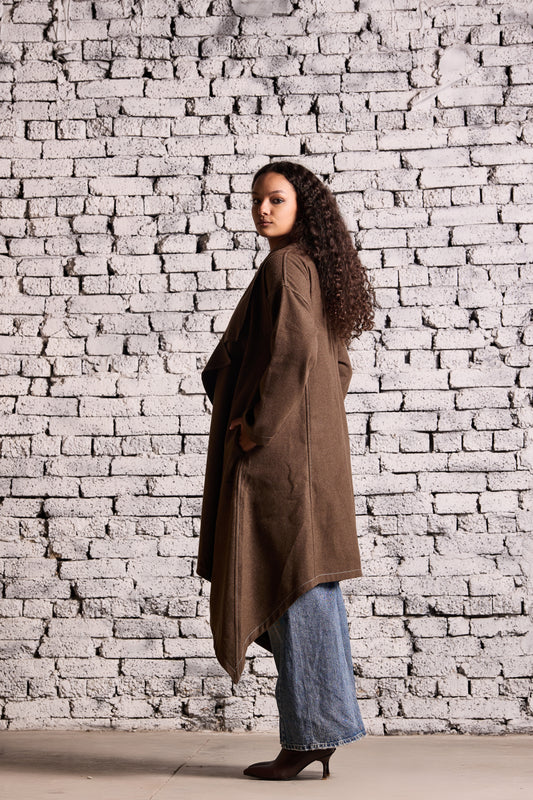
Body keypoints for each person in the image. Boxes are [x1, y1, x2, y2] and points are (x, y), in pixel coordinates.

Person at [197, 160, 375, 780]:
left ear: (303, 207)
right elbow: (337, 367)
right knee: (308, 581)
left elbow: (296, 355)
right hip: (312, 456)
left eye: (275, 199)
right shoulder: (316, 269)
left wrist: (259, 425)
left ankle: (311, 736)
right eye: (257, 201)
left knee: (292, 583)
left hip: (279, 461)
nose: (263, 210)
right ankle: (319, 730)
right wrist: (311, 424)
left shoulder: (284, 267)